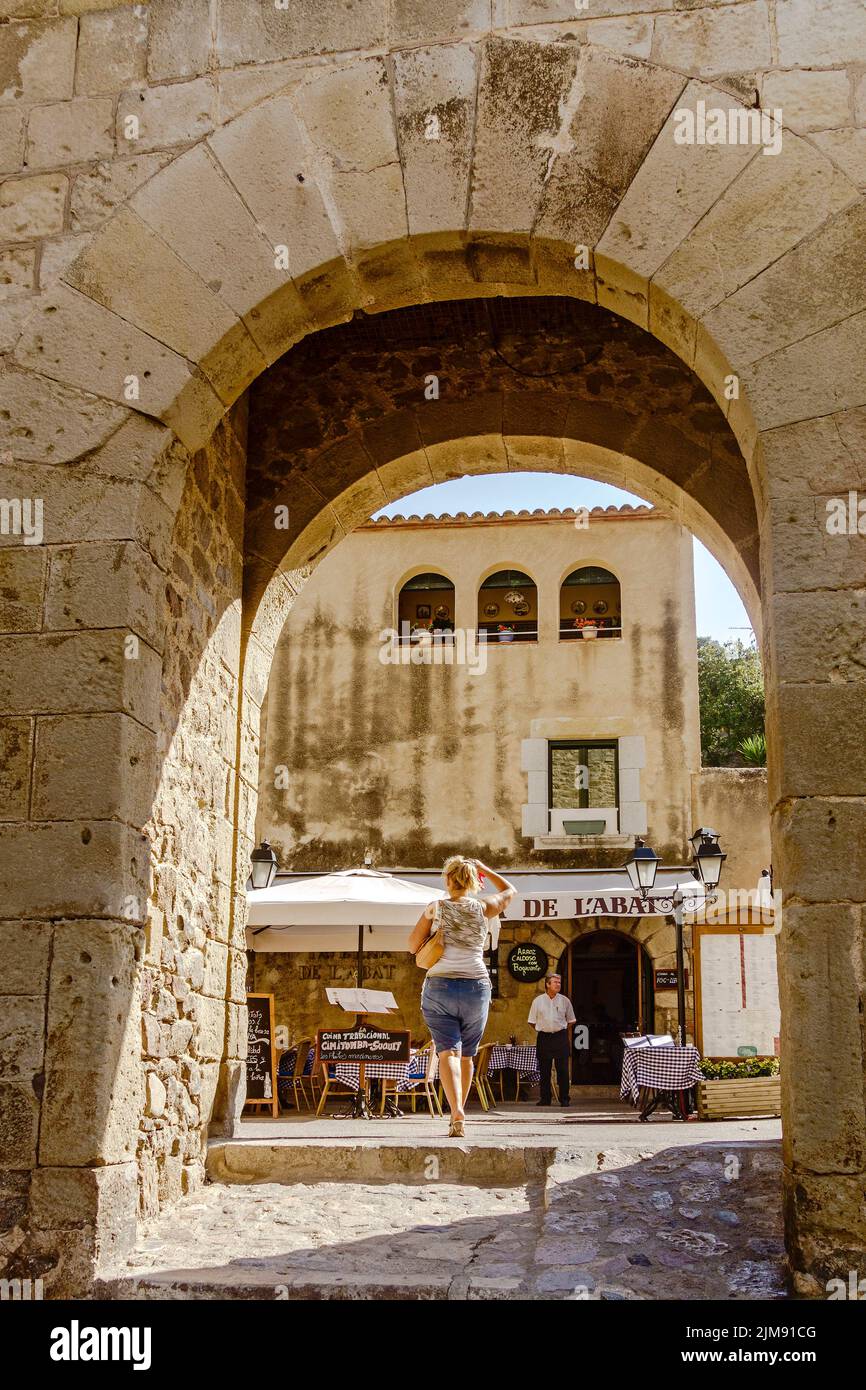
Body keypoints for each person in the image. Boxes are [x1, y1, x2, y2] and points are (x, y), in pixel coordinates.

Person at [409, 856, 516, 1138]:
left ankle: (455, 1110)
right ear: (473, 881)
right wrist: (486, 869)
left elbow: (411, 945)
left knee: (448, 1052)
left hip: (440, 985)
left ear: (447, 880)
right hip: (476, 985)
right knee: (467, 1055)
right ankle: (461, 1111)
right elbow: (510, 891)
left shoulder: (436, 908)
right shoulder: (484, 908)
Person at [528, 972, 576, 1107]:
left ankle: (564, 1098)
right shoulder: (537, 1001)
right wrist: (542, 1028)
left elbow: (571, 1020)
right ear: (547, 984)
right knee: (544, 1070)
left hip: (560, 1037)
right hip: (544, 1037)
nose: (558, 985)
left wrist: (562, 1028)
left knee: (563, 1070)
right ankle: (545, 1098)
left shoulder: (565, 1000)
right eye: (555, 982)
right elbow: (531, 1021)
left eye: (559, 982)